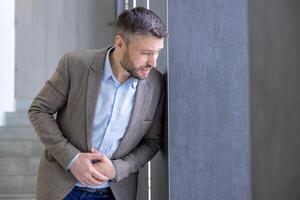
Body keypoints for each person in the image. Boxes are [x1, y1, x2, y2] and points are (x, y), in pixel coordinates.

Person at [28, 6, 167, 200]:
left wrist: (118, 169)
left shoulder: (156, 83)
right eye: (145, 52)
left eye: (157, 52)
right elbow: (39, 110)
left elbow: (152, 142)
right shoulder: (75, 65)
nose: (153, 62)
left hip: (114, 192)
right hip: (62, 189)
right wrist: (72, 158)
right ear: (120, 43)